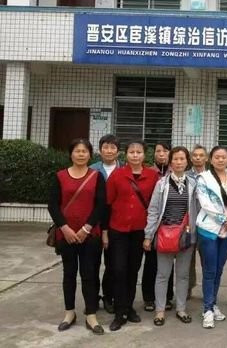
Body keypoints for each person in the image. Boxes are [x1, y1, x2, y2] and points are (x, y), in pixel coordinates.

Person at [48, 138, 106, 335]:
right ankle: (69, 313)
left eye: (84, 151)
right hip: (67, 235)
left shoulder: (96, 176)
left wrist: (86, 228)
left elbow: (100, 205)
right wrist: (64, 228)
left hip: (90, 235)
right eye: (77, 151)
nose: (81, 154)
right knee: (69, 274)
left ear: (90, 154)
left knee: (89, 275)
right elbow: (53, 205)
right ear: (71, 154)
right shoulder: (60, 176)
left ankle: (91, 314)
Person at [105, 140, 159, 331]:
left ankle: (128, 307)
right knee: (119, 269)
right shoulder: (117, 175)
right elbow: (107, 204)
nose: (135, 155)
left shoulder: (153, 176)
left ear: (145, 155)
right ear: (125, 154)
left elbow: (155, 205)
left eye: (139, 152)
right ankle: (120, 312)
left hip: (140, 231)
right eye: (131, 152)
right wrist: (104, 232)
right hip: (118, 230)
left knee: (133, 270)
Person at [143, 146, 198, 326]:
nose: (179, 162)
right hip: (165, 235)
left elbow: (198, 209)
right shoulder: (162, 184)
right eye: (175, 159)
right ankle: (160, 311)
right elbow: (153, 210)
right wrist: (148, 235)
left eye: (182, 159)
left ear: (187, 161)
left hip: (186, 236)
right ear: (170, 162)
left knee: (183, 275)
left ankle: (181, 309)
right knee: (162, 274)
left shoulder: (193, 184)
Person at [196, 146, 227, 329]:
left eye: (223, 157)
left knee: (219, 269)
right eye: (217, 157)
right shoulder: (203, 178)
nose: (220, 160)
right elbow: (205, 203)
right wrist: (224, 219)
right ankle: (207, 309)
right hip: (209, 229)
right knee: (209, 270)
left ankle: (213, 303)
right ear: (211, 159)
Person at [89, 133, 123, 314]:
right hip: (94, 224)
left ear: (118, 151)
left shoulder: (125, 169)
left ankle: (109, 297)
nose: (109, 151)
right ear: (100, 150)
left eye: (112, 147)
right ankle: (93, 298)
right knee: (92, 264)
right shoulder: (91, 170)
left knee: (113, 265)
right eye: (105, 147)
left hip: (116, 224)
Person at [142, 142, 175, 312]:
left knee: (168, 262)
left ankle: (167, 296)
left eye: (165, 151)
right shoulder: (148, 173)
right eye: (158, 151)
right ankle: (148, 297)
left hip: (170, 225)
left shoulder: (175, 173)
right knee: (151, 262)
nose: (162, 154)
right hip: (152, 223)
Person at [185, 144, 208, 297]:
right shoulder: (185, 176)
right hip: (189, 224)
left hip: (207, 225)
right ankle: (187, 288)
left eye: (201, 155)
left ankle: (208, 291)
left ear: (206, 158)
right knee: (187, 260)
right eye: (195, 155)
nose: (198, 158)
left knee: (207, 260)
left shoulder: (212, 176)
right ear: (191, 158)